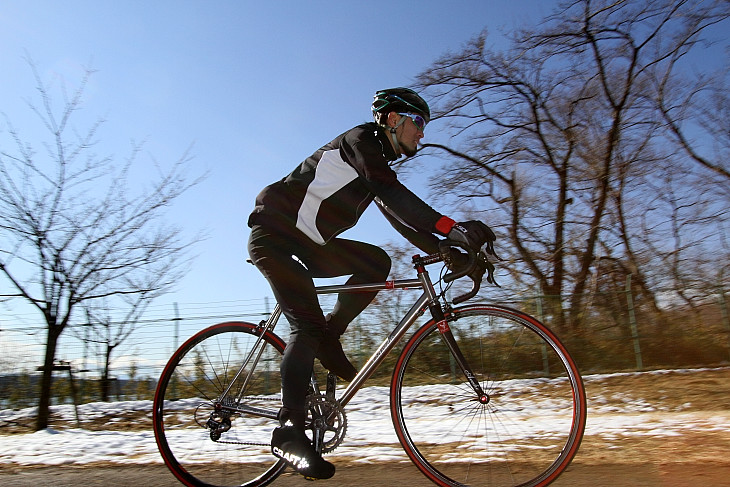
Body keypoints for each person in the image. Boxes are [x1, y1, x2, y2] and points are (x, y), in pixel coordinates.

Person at [247, 87, 495, 479]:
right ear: (394, 120)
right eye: (419, 123)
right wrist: (453, 228)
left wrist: (447, 249)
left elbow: (398, 215)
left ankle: (329, 337)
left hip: (307, 245)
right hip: (275, 238)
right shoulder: (360, 141)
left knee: (376, 261)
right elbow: (392, 192)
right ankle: (289, 432)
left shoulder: (372, 166)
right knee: (305, 325)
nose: (422, 134)